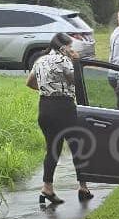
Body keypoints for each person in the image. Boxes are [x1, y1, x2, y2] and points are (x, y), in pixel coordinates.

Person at [26, 33, 92, 205]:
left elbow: (29, 82)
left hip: (45, 108)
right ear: (63, 48)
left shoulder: (40, 61)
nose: (72, 49)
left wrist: (46, 88)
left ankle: (47, 187)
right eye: (70, 46)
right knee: (77, 147)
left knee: (52, 149)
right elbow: (76, 81)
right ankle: (83, 187)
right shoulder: (64, 61)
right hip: (64, 107)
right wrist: (76, 61)